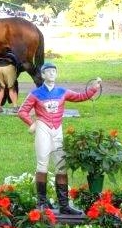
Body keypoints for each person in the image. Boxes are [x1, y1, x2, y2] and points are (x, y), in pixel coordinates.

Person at [17, 63, 102, 215]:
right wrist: (32, 123)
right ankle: (41, 203)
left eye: (53, 71)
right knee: (42, 164)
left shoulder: (62, 91)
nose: (51, 74)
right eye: (48, 72)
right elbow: (22, 111)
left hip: (58, 129)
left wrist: (94, 88)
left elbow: (80, 97)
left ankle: (64, 205)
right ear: (42, 75)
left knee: (61, 165)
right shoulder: (36, 93)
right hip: (43, 128)